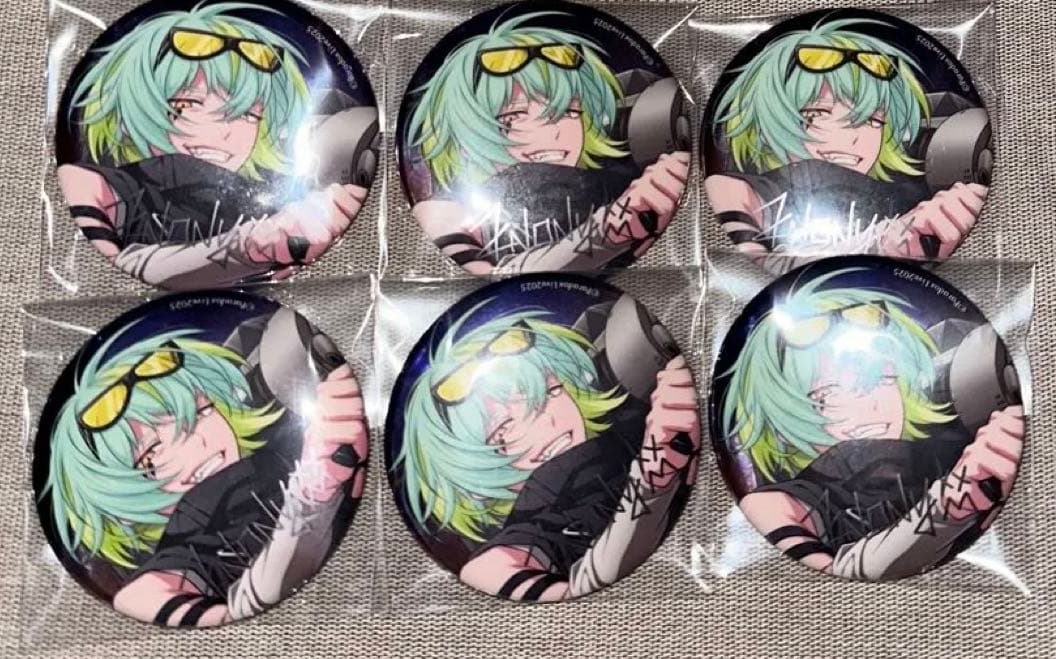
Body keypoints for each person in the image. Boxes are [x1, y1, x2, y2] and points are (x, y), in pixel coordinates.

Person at [42, 326, 367, 626]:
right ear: (113, 494)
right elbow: (153, 596)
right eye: (150, 454)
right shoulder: (184, 544)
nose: (199, 442)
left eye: (201, 411)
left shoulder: (277, 452)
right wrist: (312, 492)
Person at [720, 269, 1024, 580]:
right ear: (783, 411)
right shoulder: (777, 505)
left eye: (882, 380)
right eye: (828, 395)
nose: (870, 407)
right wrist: (950, 503)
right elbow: (838, 570)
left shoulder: (948, 451)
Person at [59, 2, 369, 288]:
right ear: (135, 105)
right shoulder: (97, 185)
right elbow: (124, 265)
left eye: (247, 114)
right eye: (188, 105)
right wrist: (250, 247)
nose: (223, 133)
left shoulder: (284, 196)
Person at [396, 306, 697, 600]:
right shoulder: (526, 533)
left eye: (549, 392)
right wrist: (654, 474)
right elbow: (527, 577)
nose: (550, 423)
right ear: (465, 465)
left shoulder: (625, 422)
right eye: (503, 428)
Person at [406, 12, 689, 274]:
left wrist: (655, 207)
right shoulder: (443, 212)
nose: (552, 133)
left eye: (568, 112)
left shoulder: (610, 188)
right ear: (465, 127)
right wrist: (612, 228)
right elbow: (502, 278)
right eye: (514, 116)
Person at [707, 19, 987, 271]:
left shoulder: (909, 199)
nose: (852, 138)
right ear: (768, 117)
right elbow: (771, 266)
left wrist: (941, 226)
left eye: (873, 121)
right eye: (817, 114)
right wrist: (885, 246)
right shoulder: (736, 192)